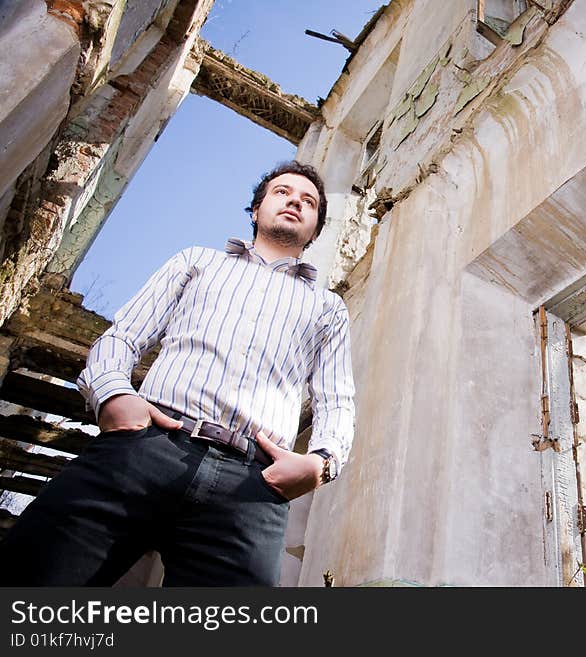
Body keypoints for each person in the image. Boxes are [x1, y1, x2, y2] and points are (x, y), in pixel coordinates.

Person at [0, 161, 355, 586]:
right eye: (282, 192)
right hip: (145, 449)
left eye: (309, 201)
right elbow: (123, 337)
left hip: (252, 484)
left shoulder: (328, 307)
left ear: (315, 230)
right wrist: (114, 395)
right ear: (257, 209)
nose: (295, 201)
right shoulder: (197, 262)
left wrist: (320, 463)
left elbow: (337, 400)